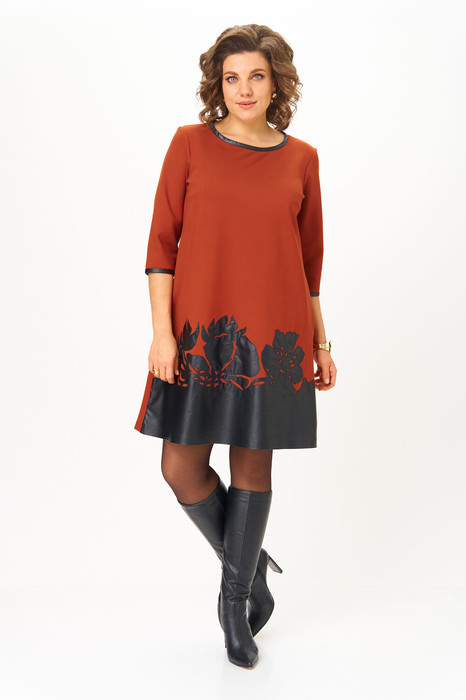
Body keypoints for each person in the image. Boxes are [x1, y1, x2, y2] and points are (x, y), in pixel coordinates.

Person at [134, 23, 337, 669]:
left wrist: (321, 342)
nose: (244, 89)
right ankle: (251, 570)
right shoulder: (189, 144)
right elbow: (160, 248)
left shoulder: (301, 158)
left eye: (256, 76)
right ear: (216, 85)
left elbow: (309, 264)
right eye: (231, 77)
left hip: (275, 334)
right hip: (200, 333)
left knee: (253, 467)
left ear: (276, 83)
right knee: (179, 467)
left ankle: (234, 605)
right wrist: (162, 334)